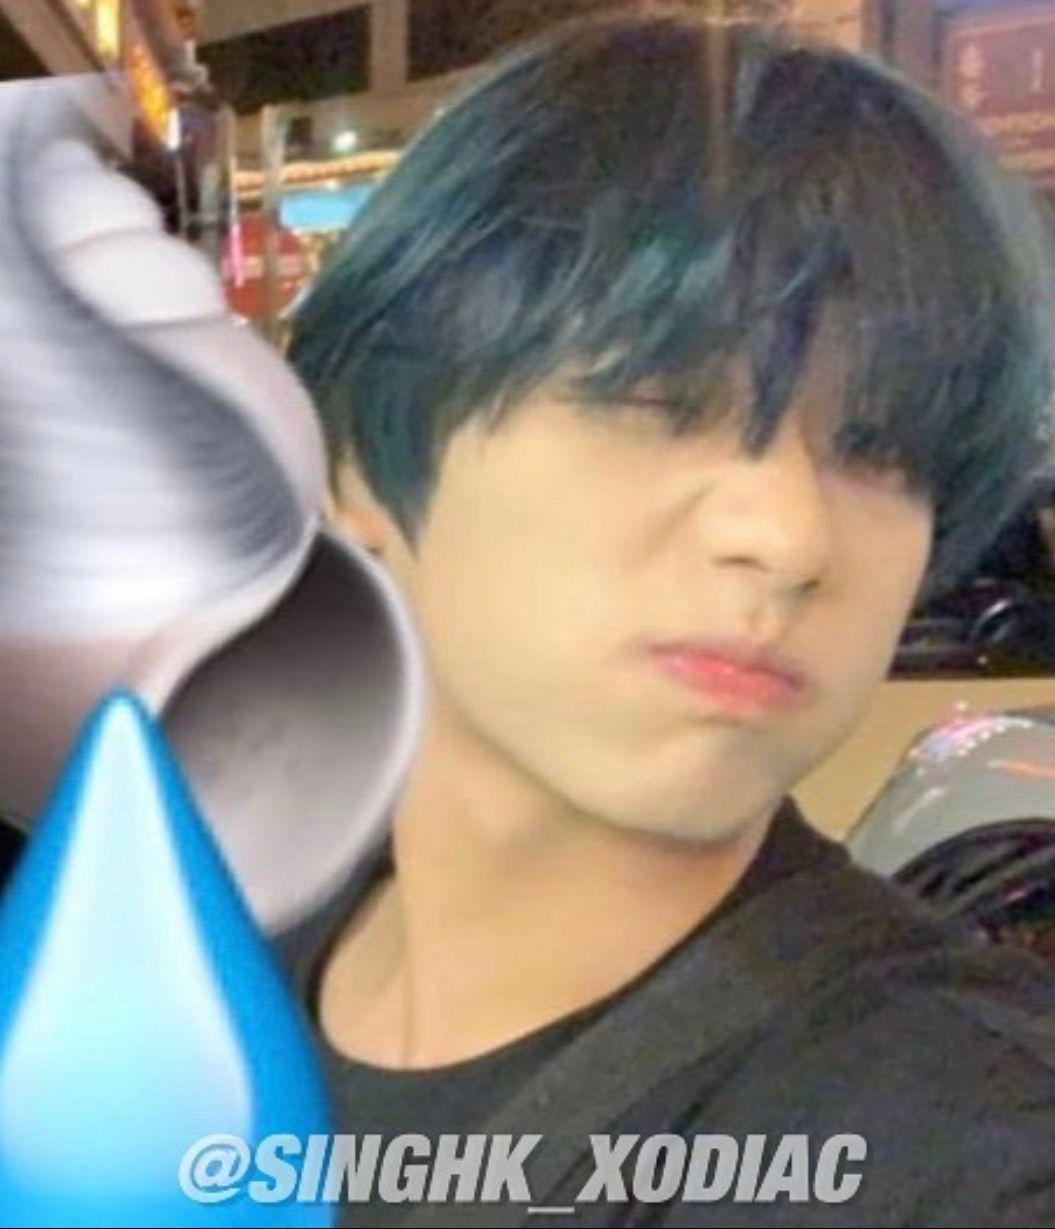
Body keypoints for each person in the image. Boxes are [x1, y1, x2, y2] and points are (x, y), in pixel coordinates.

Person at [282, 9, 1055, 1226]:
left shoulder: (953, 1133)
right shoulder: (202, 960)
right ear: (359, 464)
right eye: (656, 398)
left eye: (878, 447)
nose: (790, 537)